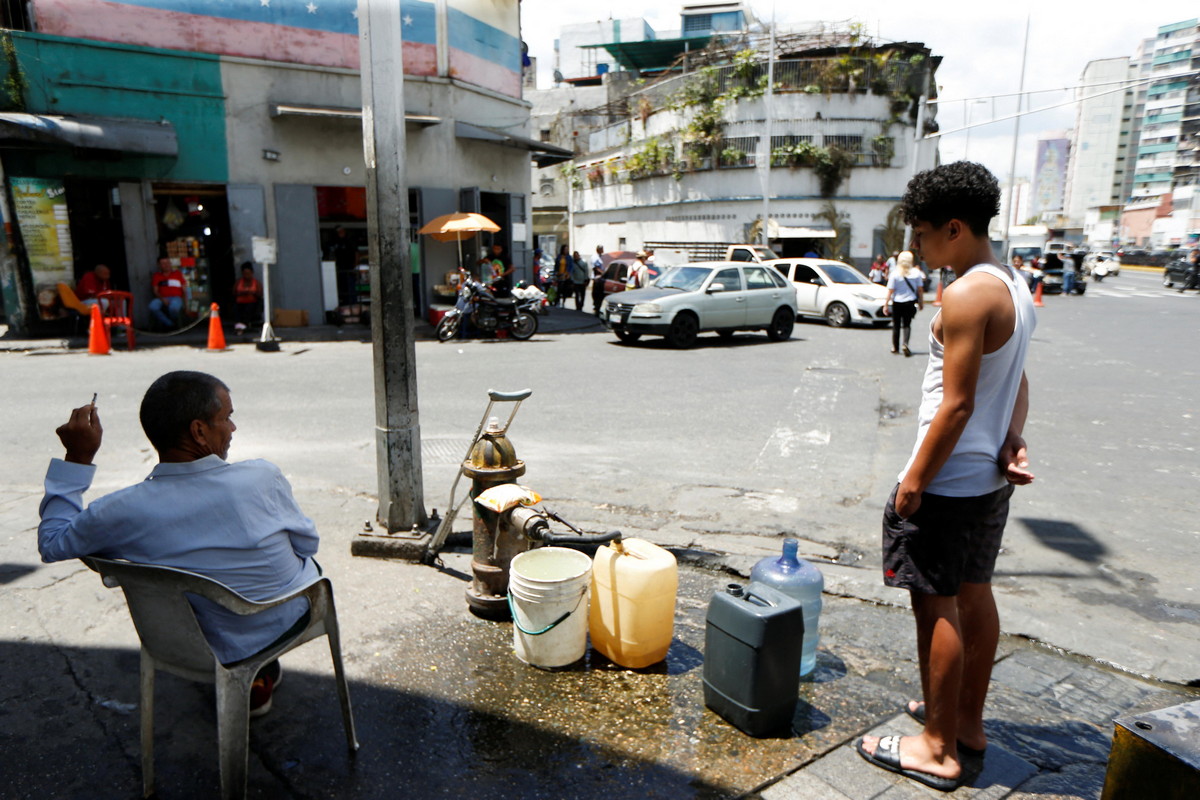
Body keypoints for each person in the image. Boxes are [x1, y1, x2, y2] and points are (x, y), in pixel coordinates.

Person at [858, 162, 1036, 792]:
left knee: (935, 605)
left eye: (924, 235)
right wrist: (1012, 439)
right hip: (987, 480)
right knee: (974, 594)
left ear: (955, 228)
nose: (918, 249)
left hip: (950, 482)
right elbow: (1014, 382)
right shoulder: (1013, 285)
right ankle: (965, 722)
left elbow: (956, 404)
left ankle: (936, 749)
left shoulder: (965, 294)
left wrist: (914, 481)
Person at [38, 371, 320, 716]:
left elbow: (52, 543)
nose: (232, 428)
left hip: (191, 640)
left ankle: (254, 675)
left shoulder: (121, 512)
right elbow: (307, 546)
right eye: (227, 418)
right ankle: (257, 670)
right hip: (280, 620)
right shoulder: (261, 477)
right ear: (199, 431)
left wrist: (77, 458)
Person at [883, 251, 926, 356]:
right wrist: (921, 302)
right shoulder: (916, 273)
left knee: (896, 325)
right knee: (907, 324)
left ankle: (895, 347)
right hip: (910, 302)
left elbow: (890, 290)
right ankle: (905, 343)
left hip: (897, 302)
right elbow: (920, 289)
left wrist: (886, 304)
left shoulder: (895, 273)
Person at [148, 257, 186, 330]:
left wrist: (186, 304)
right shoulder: (157, 276)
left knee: (173, 308)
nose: (166, 265)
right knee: (152, 306)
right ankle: (169, 324)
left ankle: (173, 322)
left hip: (176, 297)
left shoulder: (177, 274)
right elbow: (155, 291)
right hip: (161, 297)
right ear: (159, 265)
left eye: (168, 263)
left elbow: (184, 290)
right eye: (163, 263)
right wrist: (163, 299)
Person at [232, 262, 262, 334]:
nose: (247, 276)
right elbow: (234, 293)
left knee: (249, 309)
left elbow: (260, 294)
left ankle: (244, 326)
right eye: (245, 274)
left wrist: (253, 293)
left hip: (252, 303)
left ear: (252, 273)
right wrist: (241, 293)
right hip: (240, 303)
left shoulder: (256, 283)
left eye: (248, 273)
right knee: (236, 309)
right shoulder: (239, 282)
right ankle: (240, 327)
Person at [591, 244, 606, 315]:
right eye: (602, 249)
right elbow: (596, 268)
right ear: (598, 250)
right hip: (597, 278)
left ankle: (598, 307)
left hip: (600, 278)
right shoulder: (595, 257)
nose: (603, 250)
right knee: (597, 294)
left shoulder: (600, 257)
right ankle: (596, 307)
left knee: (600, 294)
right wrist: (603, 273)